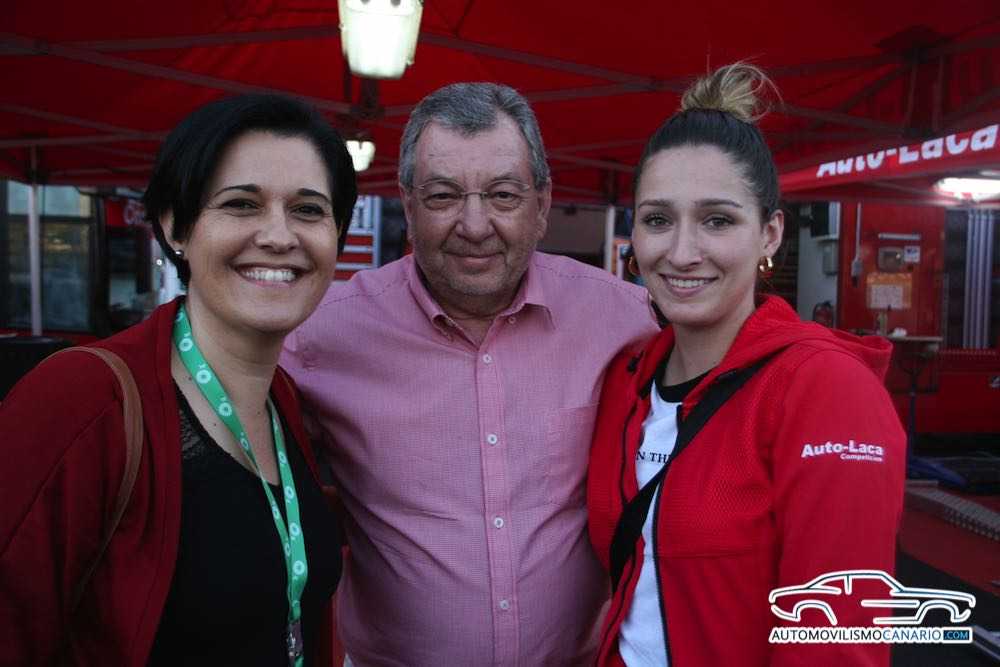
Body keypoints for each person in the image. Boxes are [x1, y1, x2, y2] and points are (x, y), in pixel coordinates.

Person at [281, 82, 657, 665]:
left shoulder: (624, 319)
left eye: (503, 195)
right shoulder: (322, 334)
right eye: (443, 196)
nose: (475, 225)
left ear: (542, 205)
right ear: (408, 206)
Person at [0, 94, 357, 666]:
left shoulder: (283, 399)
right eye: (241, 204)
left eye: (308, 210)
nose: (279, 235)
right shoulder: (83, 400)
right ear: (176, 225)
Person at [587, 64, 906, 666]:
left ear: (770, 233)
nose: (681, 252)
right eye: (658, 219)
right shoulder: (624, 379)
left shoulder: (825, 390)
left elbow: (836, 641)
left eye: (718, 220)